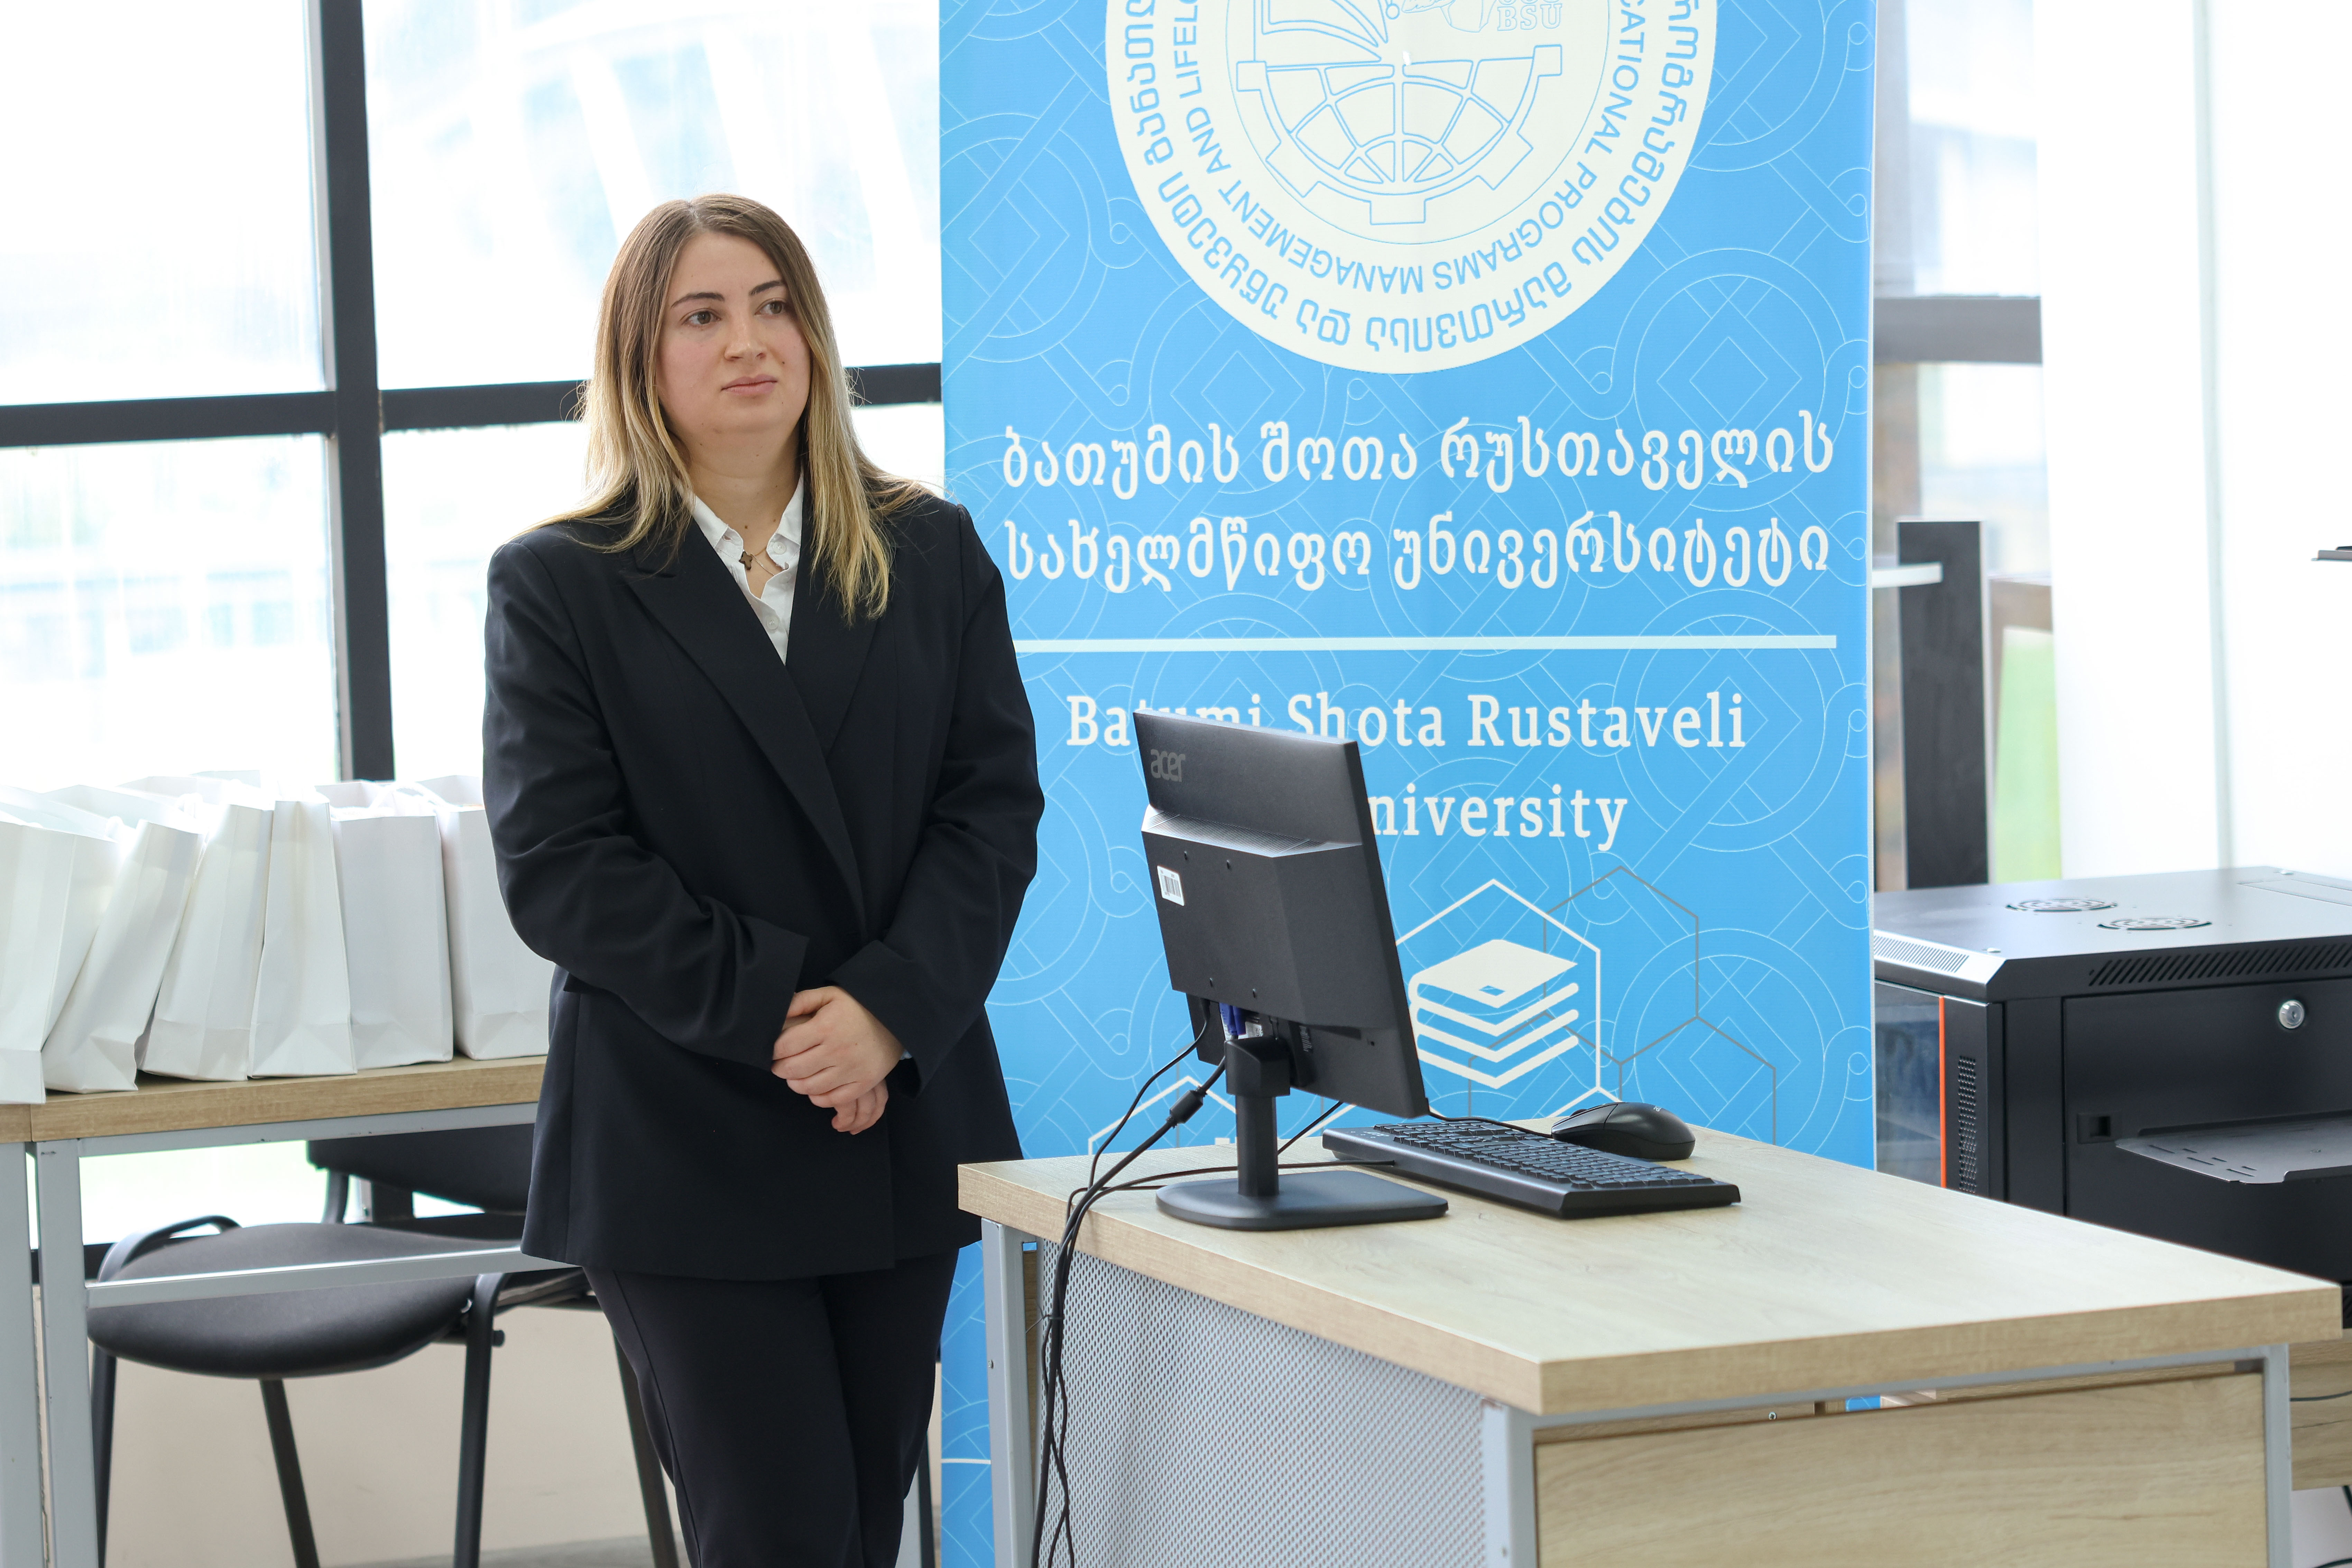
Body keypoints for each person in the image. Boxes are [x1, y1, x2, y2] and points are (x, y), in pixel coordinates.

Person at [481, 193, 1039, 1567]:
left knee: (858, 1526)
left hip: (890, 1116)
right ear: (642, 358)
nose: (749, 341)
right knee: (774, 1531)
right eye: (704, 315)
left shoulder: (930, 552)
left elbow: (989, 814)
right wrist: (797, 1018)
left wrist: (887, 1013)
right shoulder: (560, 584)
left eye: (775, 306)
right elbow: (561, 866)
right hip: (686, 1131)